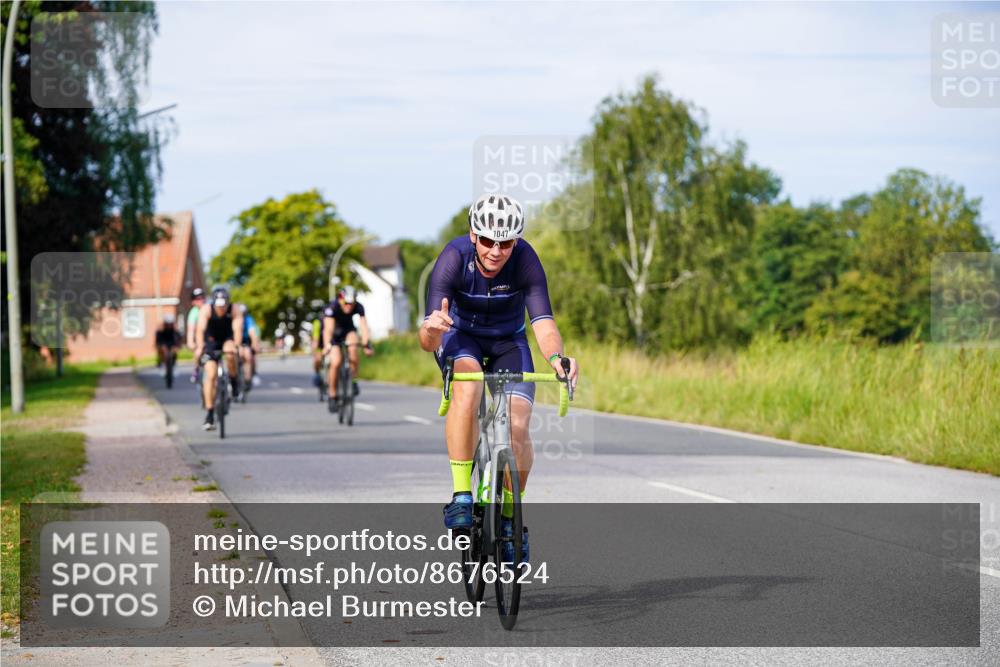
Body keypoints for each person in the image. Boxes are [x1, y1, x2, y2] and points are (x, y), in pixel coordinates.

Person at [419, 194, 579, 563]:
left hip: (509, 342)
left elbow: (543, 323)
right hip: (461, 338)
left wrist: (557, 358)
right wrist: (431, 329)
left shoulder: (526, 260)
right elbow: (428, 340)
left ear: (516, 241)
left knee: (518, 425)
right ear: (474, 235)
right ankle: (462, 496)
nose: (495, 250)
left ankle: (509, 518)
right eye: (488, 240)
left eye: (505, 243)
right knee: (470, 384)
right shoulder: (453, 258)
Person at [194, 286, 244, 430]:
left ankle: (234, 380)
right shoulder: (206, 310)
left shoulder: (234, 309)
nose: (221, 308)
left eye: (224, 305)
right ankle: (210, 413)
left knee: (230, 353)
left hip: (228, 339)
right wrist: (200, 346)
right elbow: (200, 330)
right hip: (211, 341)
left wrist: (237, 345)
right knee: (210, 374)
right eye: (218, 305)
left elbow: (237, 329)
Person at [322, 286, 373, 402]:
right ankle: (332, 394)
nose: (349, 306)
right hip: (334, 334)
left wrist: (366, 344)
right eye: (346, 303)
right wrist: (327, 345)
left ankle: (353, 380)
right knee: (336, 362)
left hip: (348, 331)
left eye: (351, 304)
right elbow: (328, 329)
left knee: (353, 348)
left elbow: (364, 326)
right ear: (341, 299)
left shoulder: (359, 306)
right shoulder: (332, 307)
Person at [238, 304, 262, 387]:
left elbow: (252, 333)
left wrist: (255, 344)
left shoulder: (248, 319)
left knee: (249, 356)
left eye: (243, 314)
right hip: (236, 341)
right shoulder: (233, 318)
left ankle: (249, 376)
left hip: (247, 340)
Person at [186, 287, 206, 383]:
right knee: (198, 352)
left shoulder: (209, 308)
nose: (200, 300)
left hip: (211, 336)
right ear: (193, 302)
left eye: (202, 298)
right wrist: (190, 342)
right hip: (200, 338)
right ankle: (196, 369)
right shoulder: (193, 313)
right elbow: (191, 329)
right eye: (197, 299)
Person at [311, 315, 324, 387]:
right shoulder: (318, 322)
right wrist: (315, 351)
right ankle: (317, 374)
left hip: (331, 343)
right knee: (318, 359)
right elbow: (315, 339)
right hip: (320, 344)